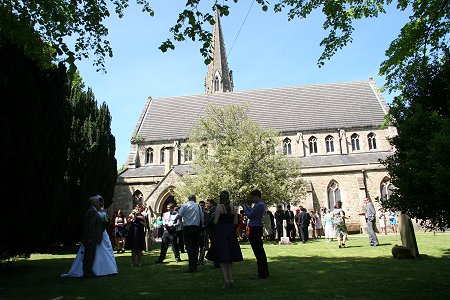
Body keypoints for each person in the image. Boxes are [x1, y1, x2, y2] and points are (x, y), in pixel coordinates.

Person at [62, 195, 118, 278]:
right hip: (91, 237)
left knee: (90, 255)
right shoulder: (92, 212)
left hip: (96, 235)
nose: (99, 203)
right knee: (88, 256)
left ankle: (89, 271)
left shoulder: (94, 211)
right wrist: (90, 237)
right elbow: (90, 226)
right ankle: (87, 272)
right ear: (95, 203)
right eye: (98, 202)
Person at [206, 191, 243, 289]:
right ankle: (231, 279)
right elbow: (235, 222)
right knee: (230, 258)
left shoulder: (219, 207)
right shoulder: (233, 208)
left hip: (221, 233)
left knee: (222, 259)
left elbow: (215, 221)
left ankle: (226, 281)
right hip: (230, 233)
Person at [241, 189, 269, 279]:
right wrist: (245, 205)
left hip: (255, 229)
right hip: (256, 228)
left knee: (258, 251)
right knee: (259, 251)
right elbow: (250, 211)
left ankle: (262, 273)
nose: (252, 199)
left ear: (257, 196)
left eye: (253, 197)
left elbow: (249, 215)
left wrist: (244, 208)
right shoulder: (258, 204)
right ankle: (264, 271)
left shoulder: (259, 205)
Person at [175, 194, 204, 273]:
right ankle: (194, 265)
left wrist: (178, 221)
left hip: (187, 228)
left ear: (188, 199)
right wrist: (202, 226)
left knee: (189, 247)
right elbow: (202, 217)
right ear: (195, 199)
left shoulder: (184, 206)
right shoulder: (198, 206)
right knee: (195, 247)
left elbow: (179, 215)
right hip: (196, 228)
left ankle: (192, 266)